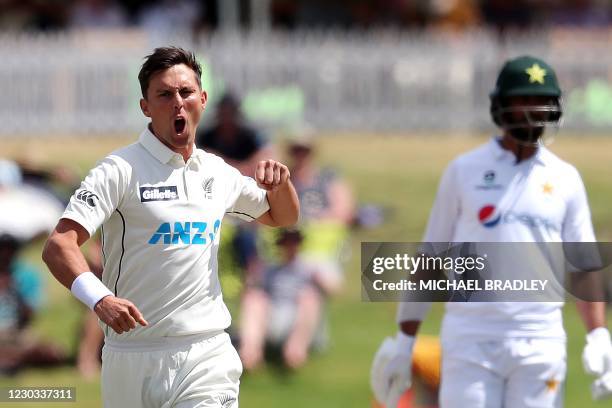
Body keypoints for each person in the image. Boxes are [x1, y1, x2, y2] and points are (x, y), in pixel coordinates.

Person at [42, 46, 299, 408]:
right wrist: (99, 299)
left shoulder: (216, 171)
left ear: (202, 99)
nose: (177, 102)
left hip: (206, 351)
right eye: (164, 94)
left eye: (186, 92)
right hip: (131, 354)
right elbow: (59, 245)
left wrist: (281, 185)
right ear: (145, 106)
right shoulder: (119, 169)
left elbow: (283, 216)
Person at [371, 55, 612, 407]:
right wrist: (406, 339)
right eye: (523, 100)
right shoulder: (464, 171)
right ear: (501, 105)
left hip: (539, 338)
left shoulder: (565, 178)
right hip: (471, 337)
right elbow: (430, 258)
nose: (534, 110)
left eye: (542, 101)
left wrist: (598, 334)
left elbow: (584, 265)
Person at [238, 228, 327, 371]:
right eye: (286, 243)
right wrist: (252, 276)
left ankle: (295, 354)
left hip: (299, 316)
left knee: (309, 297)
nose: (290, 247)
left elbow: (334, 288)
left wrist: (319, 281)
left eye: (293, 242)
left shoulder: (311, 266)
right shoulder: (270, 269)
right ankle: (250, 354)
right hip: (273, 313)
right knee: (254, 299)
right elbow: (251, 290)